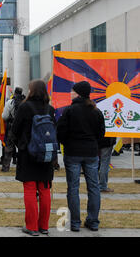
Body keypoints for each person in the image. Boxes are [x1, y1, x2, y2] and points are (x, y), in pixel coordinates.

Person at [57, 81, 106, 232]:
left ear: (78, 93)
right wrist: (92, 143)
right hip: (91, 152)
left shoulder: (70, 110)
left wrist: (67, 143)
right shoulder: (96, 111)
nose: (70, 93)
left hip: (73, 152)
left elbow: (61, 132)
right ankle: (93, 221)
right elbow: (101, 133)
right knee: (94, 187)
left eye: (72, 91)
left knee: (73, 187)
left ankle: (76, 222)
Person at [11, 80, 56, 236]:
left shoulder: (25, 107)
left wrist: (20, 145)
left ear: (31, 91)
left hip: (28, 153)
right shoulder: (50, 109)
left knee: (30, 189)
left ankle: (32, 226)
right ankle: (44, 226)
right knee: (45, 190)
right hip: (46, 154)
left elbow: (14, 129)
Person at [1, 87, 25, 172]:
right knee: (22, 148)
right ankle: (22, 167)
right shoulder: (25, 102)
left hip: (12, 127)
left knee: (9, 147)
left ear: (14, 93)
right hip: (23, 129)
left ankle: (5, 167)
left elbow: (4, 116)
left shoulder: (10, 102)